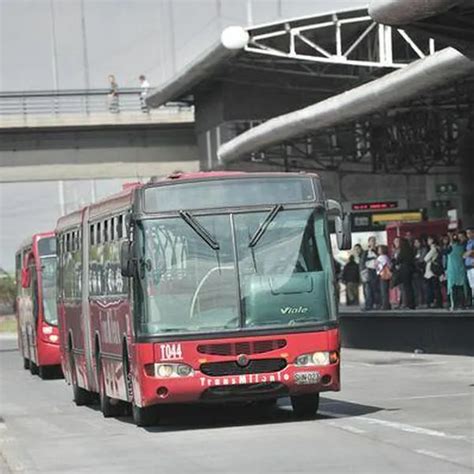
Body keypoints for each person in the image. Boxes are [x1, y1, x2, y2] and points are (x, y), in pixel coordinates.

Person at [445, 232, 468, 310]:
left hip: (452, 271)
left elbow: (443, 252)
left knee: (452, 289)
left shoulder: (450, 248)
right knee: (462, 288)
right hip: (461, 270)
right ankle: (462, 305)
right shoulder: (462, 248)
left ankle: (453, 305)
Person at [393, 237, 416, 309]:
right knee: (410, 287)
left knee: (406, 288)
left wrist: (394, 262)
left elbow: (398, 260)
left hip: (404, 270)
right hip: (410, 270)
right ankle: (412, 304)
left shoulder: (402, 251)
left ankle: (408, 304)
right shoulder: (410, 250)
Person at [360, 236, 379, 310]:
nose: (373, 242)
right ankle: (368, 305)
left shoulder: (378, 251)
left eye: (374, 241)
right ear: (369, 242)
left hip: (376, 271)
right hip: (369, 271)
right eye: (371, 241)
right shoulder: (366, 252)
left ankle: (376, 304)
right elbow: (362, 262)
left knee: (376, 289)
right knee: (368, 289)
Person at [424, 235, 443, 308]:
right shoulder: (437, 248)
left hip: (431, 270)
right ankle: (437, 302)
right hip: (434, 270)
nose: (428, 241)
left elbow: (426, 258)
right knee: (436, 287)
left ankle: (437, 302)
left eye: (429, 240)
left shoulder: (433, 249)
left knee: (434, 287)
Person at [413, 237, 428, 307]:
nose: (416, 244)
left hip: (422, 269)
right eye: (415, 242)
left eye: (417, 242)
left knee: (423, 286)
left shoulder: (424, 249)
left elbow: (422, 259)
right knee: (417, 286)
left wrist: (417, 261)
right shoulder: (415, 250)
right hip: (416, 270)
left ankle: (425, 301)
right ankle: (419, 301)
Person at [376, 245, 391, 310]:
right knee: (385, 290)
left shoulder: (381, 257)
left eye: (379, 249)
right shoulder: (387, 257)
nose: (378, 250)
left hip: (383, 274)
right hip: (385, 275)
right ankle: (387, 304)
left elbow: (380, 266)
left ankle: (385, 305)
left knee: (383, 291)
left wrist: (377, 264)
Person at [464, 228, 474, 307]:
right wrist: (468, 253)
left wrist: (468, 253)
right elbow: (464, 255)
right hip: (468, 266)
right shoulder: (468, 242)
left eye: (470, 233)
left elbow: (471, 253)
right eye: (467, 233)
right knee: (471, 285)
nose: (468, 235)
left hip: (473, 265)